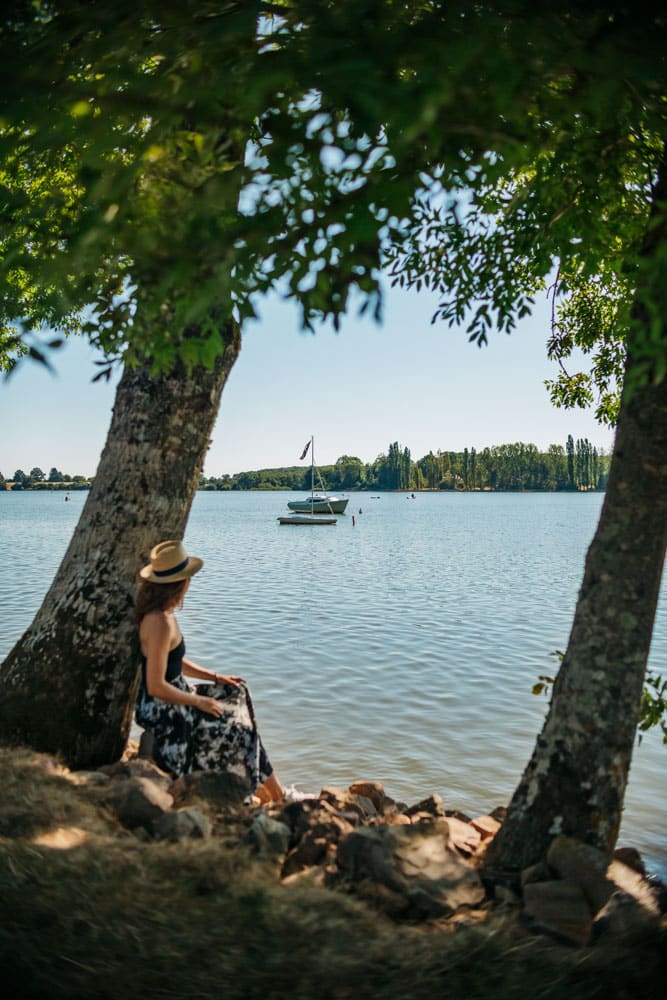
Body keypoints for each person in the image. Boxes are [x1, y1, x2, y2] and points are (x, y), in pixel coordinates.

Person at [134, 539, 296, 805]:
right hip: (163, 706)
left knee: (236, 691)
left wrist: (216, 678)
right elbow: (155, 685)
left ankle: (275, 792)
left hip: (176, 693)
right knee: (239, 730)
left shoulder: (162, 614)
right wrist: (200, 701)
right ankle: (268, 794)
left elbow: (174, 662)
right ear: (181, 583)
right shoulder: (160, 622)